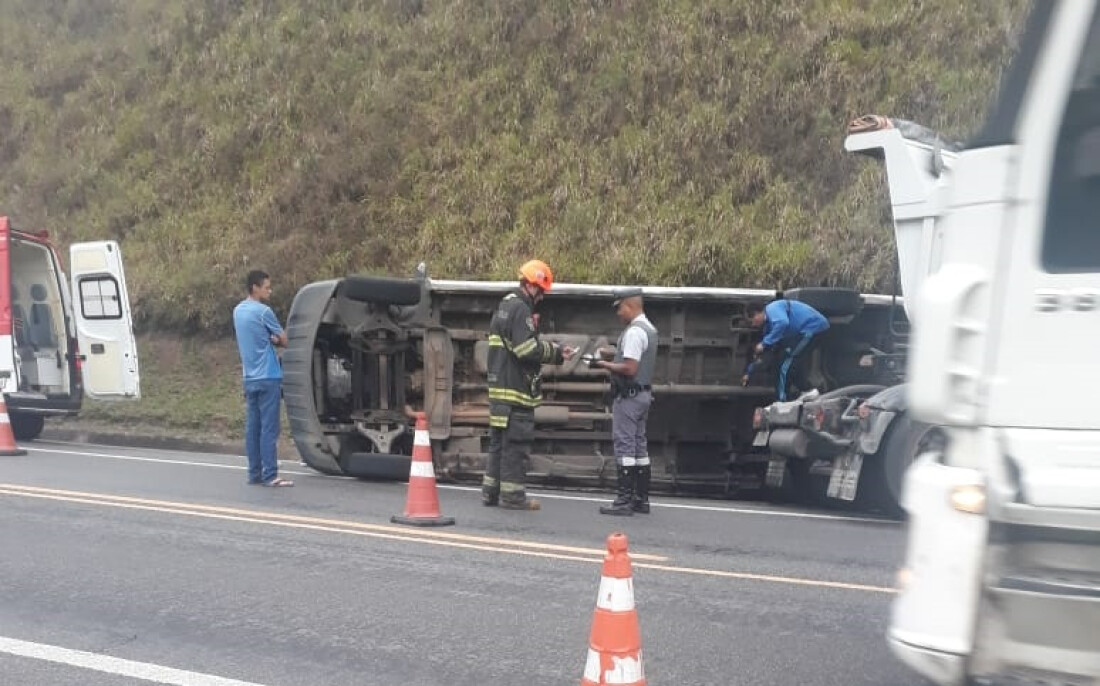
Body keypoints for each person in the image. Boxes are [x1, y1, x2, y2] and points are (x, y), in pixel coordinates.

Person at [481, 259, 575, 510]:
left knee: (498, 446)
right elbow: (525, 349)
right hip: (515, 393)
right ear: (531, 286)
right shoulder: (520, 309)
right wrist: (555, 352)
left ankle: (490, 493)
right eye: (541, 291)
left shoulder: (504, 305)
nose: (542, 297)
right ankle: (512, 497)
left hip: (500, 393)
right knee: (516, 447)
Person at [592, 288, 658, 516]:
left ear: (630, 306)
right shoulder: (649, 329)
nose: (618, 314)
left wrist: (602, 365)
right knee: (639, 447)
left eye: (620, 308)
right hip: (643, 395)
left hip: (629, 397)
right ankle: (641, 500)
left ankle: (624, 501)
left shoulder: (633, 332)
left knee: (625, 446)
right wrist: (613, 355)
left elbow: (630, 368)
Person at [233, 269, 292, 487]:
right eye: (266, 287)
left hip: (249, 377)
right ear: (255, 287)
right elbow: (284, 340)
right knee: (269, 428)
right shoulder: (263, 312)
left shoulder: (237, 311)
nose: (269, 290)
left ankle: (254, 473)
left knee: (253, 427)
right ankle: (271, 474)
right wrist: (275, 339)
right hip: (269, 375)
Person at [743, 298, 829, 401]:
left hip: (812, 327)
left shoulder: (772, 309)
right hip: (802, 332)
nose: (754, 325)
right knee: (785, 361)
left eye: (753, 321)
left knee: (786, 363)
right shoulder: (769, 326)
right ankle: (799, 391)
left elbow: (783, 323)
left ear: (757, 313)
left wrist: (764, 343)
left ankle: (788, 397)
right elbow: (768, 353)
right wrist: (749, 372)